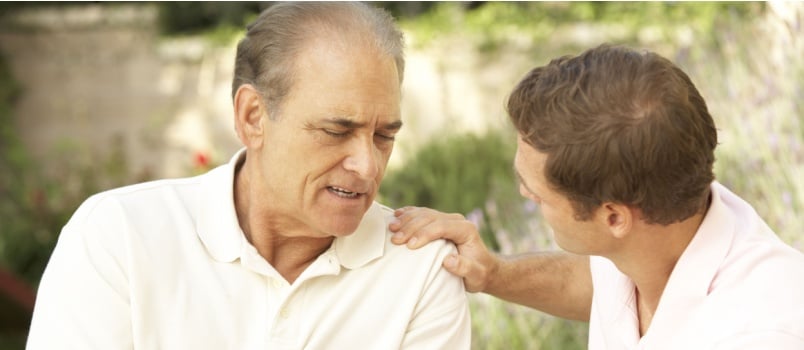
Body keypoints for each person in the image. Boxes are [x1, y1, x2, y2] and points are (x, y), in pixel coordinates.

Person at [26, 3, 471, 349]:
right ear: (253, 116)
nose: (367, 165)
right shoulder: (118, 237)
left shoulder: (422, 268)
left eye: (383, 136)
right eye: (337, 131)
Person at [390, 44, 804, 349]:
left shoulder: (759, 331)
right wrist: (493, 273)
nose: (524, 193)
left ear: (613, 217)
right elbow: (594, 285)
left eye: (538, 193)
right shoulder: (661, 226)